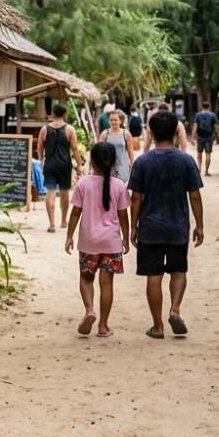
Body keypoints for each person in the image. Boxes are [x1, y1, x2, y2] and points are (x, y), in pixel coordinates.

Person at [129, 111, 205, 340]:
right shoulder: (186, 160)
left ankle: (158, 326)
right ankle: (175, 309)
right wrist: (199, 225)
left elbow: (136, 198)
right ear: (175, 132)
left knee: (153, 275)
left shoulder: (143, 162)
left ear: (150, 133)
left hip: (150, 227)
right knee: (178, 270)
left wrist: (133, 226)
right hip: (178, 226)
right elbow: (194, 196)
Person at [65, 143, 131, 338]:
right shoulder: (119, 186)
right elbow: (123, 216)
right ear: (113, 162)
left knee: (86, 278)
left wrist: (69, 236)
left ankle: (89, 310)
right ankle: (103, 326)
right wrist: (125, 238)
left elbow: (76, 213)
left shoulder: (83, 184)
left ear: (92, 161)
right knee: (107, 284)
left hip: (88, 242)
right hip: (111, 242)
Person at [36, 104, 85, 232]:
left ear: (53, 114)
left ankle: (52, 224)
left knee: (50, 192)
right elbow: (74, 148)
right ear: (64, 114)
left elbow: (39, 146)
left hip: (50, 164)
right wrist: (79, 164)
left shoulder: (44, 129)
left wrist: (41, 160)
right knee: (64, 193)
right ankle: (63, 221)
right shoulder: (69, 129)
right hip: (65, 165)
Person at [98, 110, 134, 181]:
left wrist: (133, 165)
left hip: (123, 167)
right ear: (108, 121)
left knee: (121, 188)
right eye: (111, 120)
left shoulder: (126, 134)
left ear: (120, 121)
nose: (113, 122)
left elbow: (131, 152)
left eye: (115, 120)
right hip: (108, 167)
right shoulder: (104, 134)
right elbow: (99, 151)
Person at [192, 101, 219, 177]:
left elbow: (195, 126)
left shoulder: (198, 115)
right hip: (209, 137)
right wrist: (218, 138)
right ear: (209, 107)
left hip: (200, 137)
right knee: (208, 154)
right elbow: (215, 128)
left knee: (199, 153)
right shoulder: (213, 115)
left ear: (202, 107)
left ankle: (199, 168)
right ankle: (206, 171)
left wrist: (192, 137)